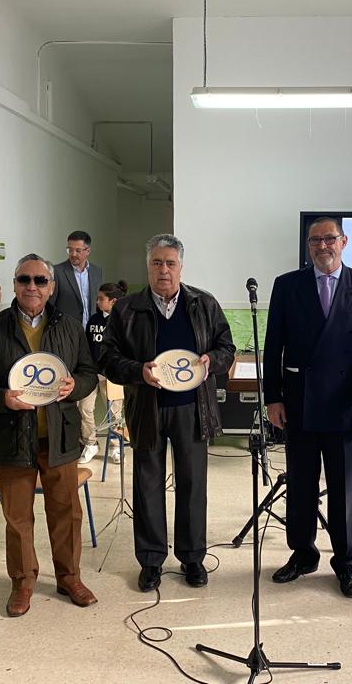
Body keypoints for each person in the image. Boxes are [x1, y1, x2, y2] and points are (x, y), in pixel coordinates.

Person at [0, 254, 99, 617]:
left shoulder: (69, 327)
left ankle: (69, 577)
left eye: (39, 280)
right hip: (10, 438)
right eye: (24, 280)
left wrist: (75, 386)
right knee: (18, 518)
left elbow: (87, 372)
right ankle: (22, 582)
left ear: (51, 287)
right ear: (14, 284)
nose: (32, 287)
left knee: (67, 514)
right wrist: (1, 398)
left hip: (59, 438)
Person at [100, 234, 235, 592]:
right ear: (148, 266)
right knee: (147, 484)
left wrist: (212, 361)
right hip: (147, 408)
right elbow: (108, 359)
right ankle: (151, 560)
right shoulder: (127, 309)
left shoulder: (204, 304)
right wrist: (137, 371)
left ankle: (192, 558)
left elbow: (227, 347)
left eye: (170, 263)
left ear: (180, 267)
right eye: (157, 263)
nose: (164, 270)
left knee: (193, 485)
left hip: (192, 409)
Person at [263, 216, 352, 598]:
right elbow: (273, 348)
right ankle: (302, 555)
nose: (322, 246)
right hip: (298, 403)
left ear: (344, 241)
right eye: (315, 240)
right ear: (308, 245)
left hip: (344, 404)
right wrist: (273, 397)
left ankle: (346, 562)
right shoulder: (287, 285)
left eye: (329, 238)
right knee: (300, 485)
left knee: (343, 487)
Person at [52, 230, 104, 463]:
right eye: (69, 249)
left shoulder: (97, 272)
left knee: (97, 386)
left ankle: (101, 440)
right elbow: (51, 306)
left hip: (93, 338)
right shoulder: (57, 271)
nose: (73, 254)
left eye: (77, 250)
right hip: (68, 337)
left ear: (87, 251)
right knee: (71, 389)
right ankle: (79, 440)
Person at [87, 281, 129, 463]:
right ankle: (90, 443)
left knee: (114, 413)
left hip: (112, 375)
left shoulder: (123, 321)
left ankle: (115, 446)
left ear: (112, 301)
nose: (97, 302)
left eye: (101, 299)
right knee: (84, 408)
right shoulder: (93, 320)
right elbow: (87, 345)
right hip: (92, 373)